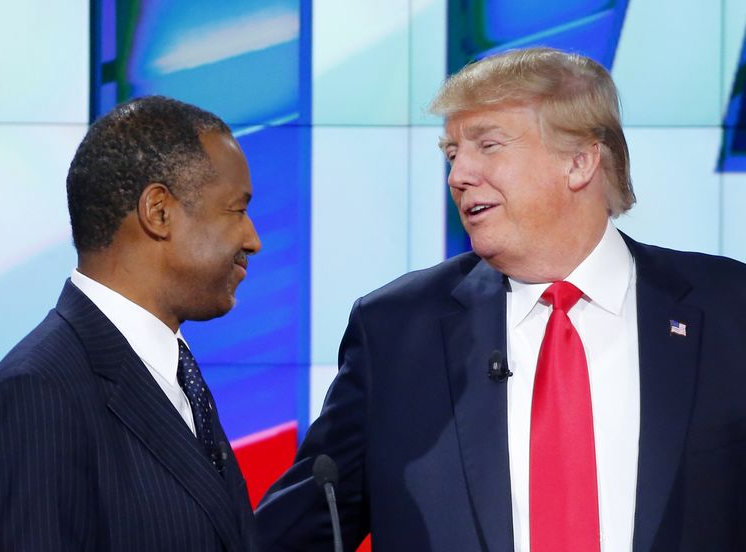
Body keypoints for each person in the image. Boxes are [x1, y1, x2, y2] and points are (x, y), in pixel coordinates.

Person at [255, 48, 746, 551]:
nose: (458, 175)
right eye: (452, 153)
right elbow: (296, 532)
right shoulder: (396, 332)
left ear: (579, 162)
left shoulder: (731, 309)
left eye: (487, 145)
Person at [0, 96, 262, 551]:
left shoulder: (177, 378)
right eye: (237, 210)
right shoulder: (39, 392)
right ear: (158, 212)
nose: (252, 239)